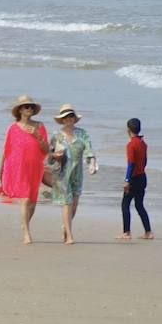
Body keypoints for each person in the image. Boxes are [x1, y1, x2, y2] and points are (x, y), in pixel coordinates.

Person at [0, 95, 51, 244]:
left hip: (35, 166)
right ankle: (27, 233)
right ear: (20, 110)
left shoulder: (40, 126)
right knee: (25, 199)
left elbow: (46, 149)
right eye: (26, 106)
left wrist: (37, 136)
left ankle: (25, 224)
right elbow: (5, 151)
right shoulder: (12, 128)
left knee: (32, 201)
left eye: (31, 107)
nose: (30, 109)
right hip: (16, 167)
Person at [46, 104, 96, 245]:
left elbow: (89, 150)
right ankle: (69, 236)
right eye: (65, 117)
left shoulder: (82, 133)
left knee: (74, 204)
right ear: (61, 120)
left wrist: (92, 162)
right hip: (61, 173)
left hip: (77, 172)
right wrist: (56, 155)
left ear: (74, 118)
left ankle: (65, 226)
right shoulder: (56, 135)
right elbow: (48, 158)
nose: (69, 119)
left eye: (71, 116)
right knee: (67, 203)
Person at [119, 117, 154, 240]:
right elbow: (144, 161)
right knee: (139, 205)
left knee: (125, 204)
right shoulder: (143, 143)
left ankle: (126, 232)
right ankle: (148, 232)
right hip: (142, 176)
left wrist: (127, 180)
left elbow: (130, 164)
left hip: (134, 178)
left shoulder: (131, 145)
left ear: (128, 129)